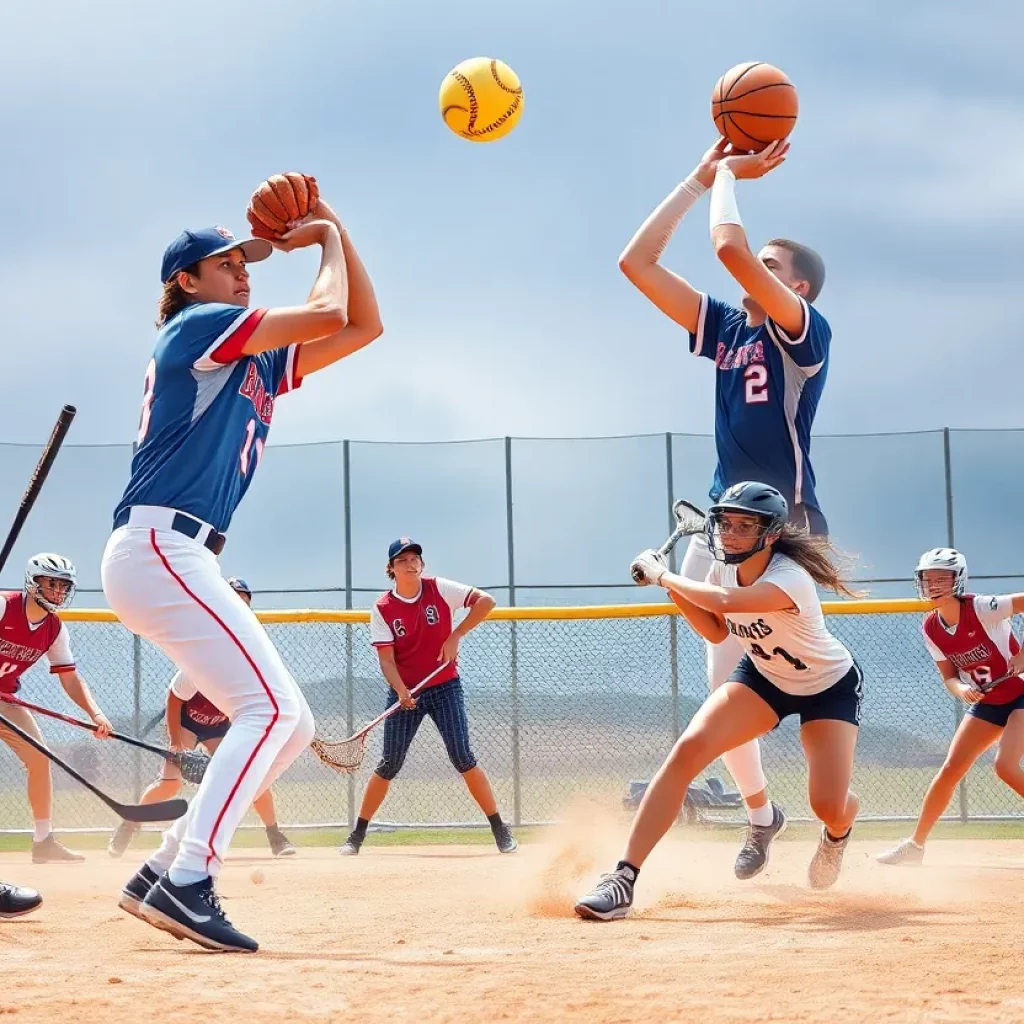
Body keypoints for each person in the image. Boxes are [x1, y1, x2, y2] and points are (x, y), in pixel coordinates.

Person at [103, 194, 383, 953]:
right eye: (226, 266)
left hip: (172, 555)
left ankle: (163, 869)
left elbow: (362, 325)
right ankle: (190, 878)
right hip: (162, 546)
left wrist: (340, 230)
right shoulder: (196, 328)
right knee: (274, 714)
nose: (242, 274)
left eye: (244, 264)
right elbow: (328, 311)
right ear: (187, 282)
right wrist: (322, 234)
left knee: (288, 724)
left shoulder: (249, 359)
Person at [617, 138, 832, 878]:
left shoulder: (804, 334)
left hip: (788, 528)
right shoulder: (730, 331)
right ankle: (761, 814)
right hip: (723, 522)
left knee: (802, 675)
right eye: (765, 263)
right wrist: (695, 178)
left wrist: (733, 177)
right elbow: (635, 265)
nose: (759, 271)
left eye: (777, 267)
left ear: (800, 288)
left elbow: (731, 250)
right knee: (725, 688)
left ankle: (829, 810)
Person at [575, 483, 863, 921]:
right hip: (764, 677)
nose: (730, 534)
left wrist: (666, 575)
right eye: (726, 523)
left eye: (745, 526)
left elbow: (730, 603)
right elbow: (715, 629)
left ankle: (838, 832)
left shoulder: (790, 577)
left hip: (828, 686)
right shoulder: (721, 571)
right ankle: (622, 878)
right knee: (687, 752)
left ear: (770, 534)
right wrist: (671, 589)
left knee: (828, 804)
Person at [339, 539, 517, 857]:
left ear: (422, 565)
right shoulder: (382, 608)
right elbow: (386, 660)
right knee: (389, 763)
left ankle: (500, 830)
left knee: (463, 757)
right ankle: (357, 835)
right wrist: (401, 691)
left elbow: (486, 601)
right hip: (405, 691)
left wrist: (456, 635)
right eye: (403, 559)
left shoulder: (439, 589)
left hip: (445, 686)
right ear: (391, 568)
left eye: (415, 558)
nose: (411, 564)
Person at [108, 578, 296, 860]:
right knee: (170, 783)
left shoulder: (251, 652)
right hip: (187, 721)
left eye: (245, 603)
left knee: (251, 775)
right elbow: (174, 697)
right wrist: (175, 742)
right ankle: (129, 824)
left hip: (221, 724)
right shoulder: (206, 652)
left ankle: (275, 835)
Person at [878, 549, 1024, 866]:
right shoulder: (931, 627)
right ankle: (915, 848)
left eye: (941, 578)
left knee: (1005, 766)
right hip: (989, 702)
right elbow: (949, 677)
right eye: (927, 579)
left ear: (958, 580)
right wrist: (962, 689)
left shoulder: (983, 607)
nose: (932, 585)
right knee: (950, 770)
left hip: (1021, 692)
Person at [0, 554, 112, 863]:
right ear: (33, 582)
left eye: (64, 586)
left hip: (4, 700)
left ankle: (43, 841)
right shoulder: (3, 606)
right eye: (52, 584)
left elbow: (70, 679)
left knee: (39, 757)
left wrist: (96, 714)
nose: (59, 592)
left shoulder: (54, 629)